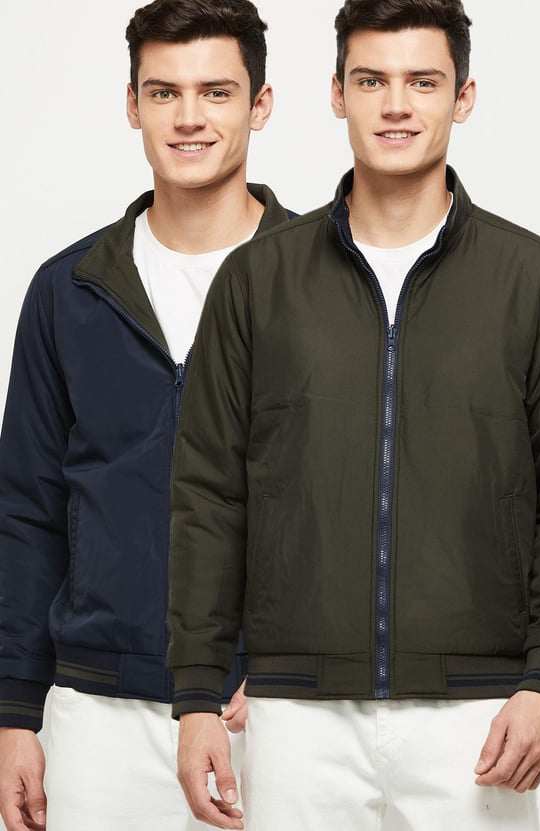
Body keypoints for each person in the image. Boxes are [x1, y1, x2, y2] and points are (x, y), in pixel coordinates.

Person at [167, 0, 540, 829]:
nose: (396, 105)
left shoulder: (537, 283)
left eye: (423, 82)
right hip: (294, 714)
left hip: (476, 713)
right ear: (337, 93)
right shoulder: (257, 283)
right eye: (371, 80)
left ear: (462, 97)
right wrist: (197, 694)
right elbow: (208, 495)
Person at [0, 0, 293, 829]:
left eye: (216, 92)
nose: (189, 117)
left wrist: (294, 659)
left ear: (260, 105)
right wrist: (15, 711)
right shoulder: (69, 290)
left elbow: (356, 500)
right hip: (98, 710)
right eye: (164, 92)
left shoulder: (321, 284)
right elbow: (26, 508)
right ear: (132, 105)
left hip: (268, 709)